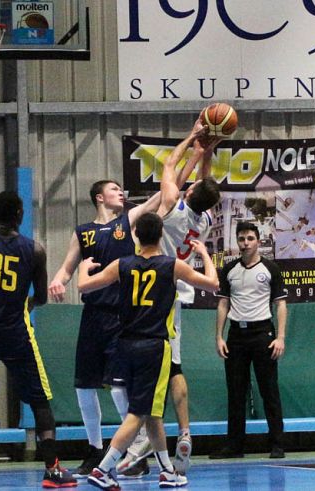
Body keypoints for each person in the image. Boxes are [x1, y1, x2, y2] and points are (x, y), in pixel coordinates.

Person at [77, 212, 219, 490]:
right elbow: (213, 283)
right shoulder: (171, 265)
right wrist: (205, 254)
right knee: (139, 413)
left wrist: (84, 267)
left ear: (136, 236)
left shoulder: (122, 264)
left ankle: (167, 470)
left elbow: (84, 286)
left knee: (152, 413)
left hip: (125, 345)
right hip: (153, 347)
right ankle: (103, 469)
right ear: (161, 234)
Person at [117, 121, 221, 478]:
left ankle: (147, 434)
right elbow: (206, 184)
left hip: (154, 289)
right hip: (176, 293)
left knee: (162, 367)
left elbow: (169, 165)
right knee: (173, 363)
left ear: (189, 192)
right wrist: (207, 152)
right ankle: (183, 430)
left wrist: (192, 137)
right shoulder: (204, 221)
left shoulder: (172, 206)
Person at [47, 179, 161, 477]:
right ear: (99, 197)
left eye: (122, 188)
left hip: (120, 316)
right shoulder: (83, 231)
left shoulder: (127, 220)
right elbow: (68, 267)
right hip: (93, 316)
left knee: (119, 387)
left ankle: (135, 453)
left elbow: (160, 198)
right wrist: (58, 279)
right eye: (114, 189)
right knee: (84, 386)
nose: (121, 192)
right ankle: (94, 450)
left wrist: (181, 168)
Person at [0, 191, 76, 488]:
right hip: (16, 333)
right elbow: (40, 297)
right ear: (19, 214)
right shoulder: (34, 250)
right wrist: (24, 304)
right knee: (40, 399)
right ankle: (52, 468)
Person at [210, 221, 287, 459]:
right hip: (236, 336)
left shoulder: (271, 268)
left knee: (269, 390)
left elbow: (280, 304)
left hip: (263, 334)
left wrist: (281, 337)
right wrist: (219, 337)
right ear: (237, 242)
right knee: (235, 392)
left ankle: (277, 444)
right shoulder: (229, 269)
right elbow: (223, 304)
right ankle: (234, 446)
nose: (245, 243)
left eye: (250, 239)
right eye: (241, 239)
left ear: (258, 241)